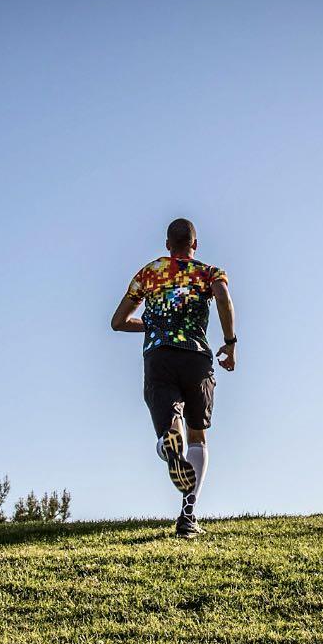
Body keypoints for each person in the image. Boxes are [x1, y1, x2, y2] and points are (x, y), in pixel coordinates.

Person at [110, 218, 237, 538]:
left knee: (171, 423)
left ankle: (169, 441)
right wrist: (230, 342)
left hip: (159, 355)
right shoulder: (209, 272)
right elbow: (222, 296)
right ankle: (188, 515)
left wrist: (152, 325)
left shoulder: (149, 273)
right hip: (196, 356)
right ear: (195, 245)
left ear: (168, 245)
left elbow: (118, 321)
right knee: (198, 436)